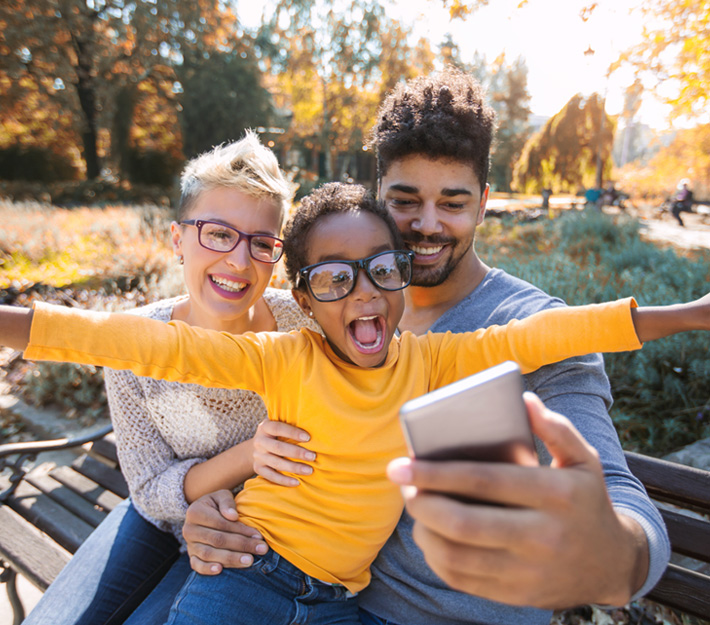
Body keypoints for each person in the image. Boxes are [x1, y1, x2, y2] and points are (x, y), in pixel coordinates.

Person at [2, 182, 709, 625]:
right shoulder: (282, 356)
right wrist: (13, 323)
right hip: (249, 576)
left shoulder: (430, 359)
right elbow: (138, 344)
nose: (365, 292)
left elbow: (552, 332)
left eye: (381, 269)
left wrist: (691, 312)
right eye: (336, 278)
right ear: (302, 300)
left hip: (342, 603)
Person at [182, 69, 674, 625]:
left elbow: (615, 492)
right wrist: (211, 508)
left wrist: (616, 555)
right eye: (406, 200)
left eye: (454, 203)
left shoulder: (537, 330)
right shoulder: (327, 307)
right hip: (314, 600)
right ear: (376, 197)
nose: (428, 225)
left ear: (484, 202)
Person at [22, 131, 320, 625]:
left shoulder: (304, 327)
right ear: (178, 239)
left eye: (262, 243)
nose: (239, 261)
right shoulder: (134, 341)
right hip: (159, 521)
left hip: (253, 535)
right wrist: (248, 455)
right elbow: (147, 488)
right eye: (219, 234)